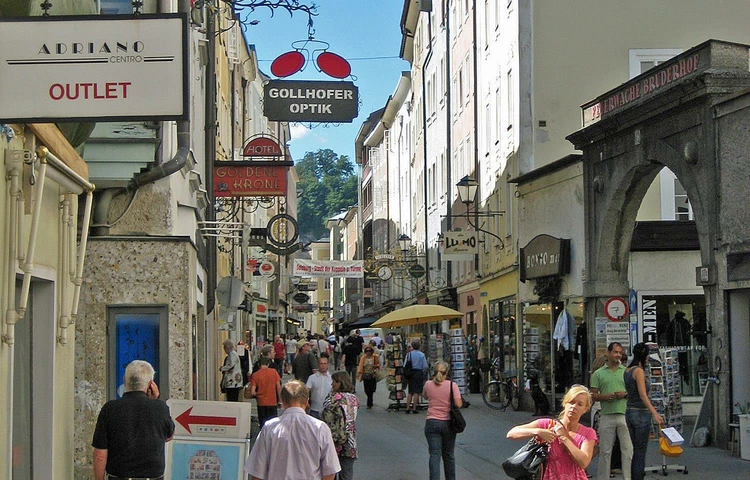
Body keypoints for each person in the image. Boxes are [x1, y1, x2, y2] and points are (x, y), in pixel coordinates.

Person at [92, 360, 175, 480]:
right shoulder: (161, 408)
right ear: (151, 384)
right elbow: (168, 436)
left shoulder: (110, 409)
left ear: (125, 380)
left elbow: (100, 455)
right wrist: (154, 400)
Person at [244, 380, 340, 480]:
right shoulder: (320, 428)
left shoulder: (269, 428)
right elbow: (330, 471)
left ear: (283, 401)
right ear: (307, 402)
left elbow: (258, 471)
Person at [507, 384, 598, 480]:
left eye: (579, 404)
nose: (574, 407)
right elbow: (511, 433)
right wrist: (538, 431)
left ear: (585, 409)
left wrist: (564, 438)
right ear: (565, 403)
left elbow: (583, 462)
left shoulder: (588, 433)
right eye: (571, 402)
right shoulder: (548, 425)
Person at [590, 342, 633, 480]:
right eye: (615, 352)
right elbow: (593, 394)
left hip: (623, 414)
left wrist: (625, 394)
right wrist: (603, 397)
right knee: (605, 450)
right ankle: (603, 477)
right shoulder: (598, 373)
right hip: (607, 415)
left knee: (627, 451)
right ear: (608, 353)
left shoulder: (626, 372)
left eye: (620, 353)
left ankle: (627, 477)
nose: (618, 355)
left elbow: (634, 392)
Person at [625, 343, 665, 480]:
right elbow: (643, 394)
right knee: (640, 451)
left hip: (629, 411)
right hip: (641, 412)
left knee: (634, 450)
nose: (648, 357)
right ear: (644, 355)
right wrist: (655, 413)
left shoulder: (627, 370)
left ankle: (632, 476)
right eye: (647, 354)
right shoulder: (639, 372)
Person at [422, 361, 463, 480]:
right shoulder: (452, 385)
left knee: (434, 455)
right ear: (447, 372)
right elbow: (458, 404)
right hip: (448, 423)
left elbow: (425, 396)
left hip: (431, 422)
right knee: (449, 455)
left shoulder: (428, 384)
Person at [322, 372, 360, 480]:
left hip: (333, 441)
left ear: (340, 383)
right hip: (350, 441)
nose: (332, 384)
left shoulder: (332, 398)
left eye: (334, 382)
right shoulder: (354, 399)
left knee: (331, 472)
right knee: (346, 473)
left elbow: (325, 416)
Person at [248, 356, 282, 427]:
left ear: (259, 364)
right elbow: (278, 387)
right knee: (273, 424)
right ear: (268, 364)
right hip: (272, 401)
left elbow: (252, 392)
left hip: (261, 402)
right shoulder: (274, 372)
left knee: (263, 424)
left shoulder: (255, 375)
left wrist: (257, 394)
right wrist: (280, 400)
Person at [405, 340, 429, 414]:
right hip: (418, 373)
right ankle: (414, 408)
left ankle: (408, 407)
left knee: (410, 391)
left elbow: (405, 364)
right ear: (419, 346)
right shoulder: (421, 355)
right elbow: (425, 366)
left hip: (410, 373)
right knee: (416, 391)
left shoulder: (409, 354)